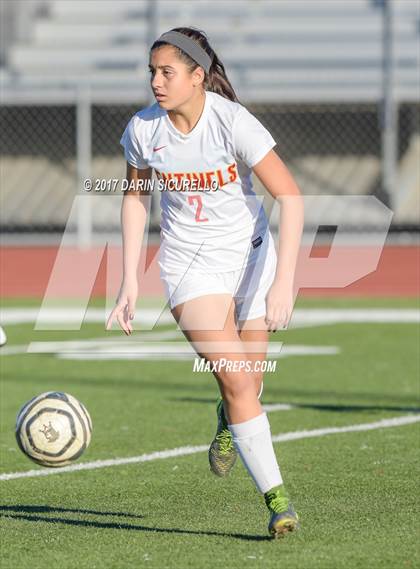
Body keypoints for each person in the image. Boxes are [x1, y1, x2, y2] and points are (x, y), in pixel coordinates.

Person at [106, 27, 304, 539]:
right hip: (189, 267)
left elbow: (292, 197)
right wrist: (129, 282)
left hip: (253, 260)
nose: (156, 81)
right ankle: (278, 502)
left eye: (167, 71)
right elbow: (135, 197)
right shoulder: (143, 130)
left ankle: (226, 417)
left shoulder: (232, 121)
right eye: (152, 71)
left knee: (247, 387)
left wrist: (283, 282)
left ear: (198, 76)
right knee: (239, 379)